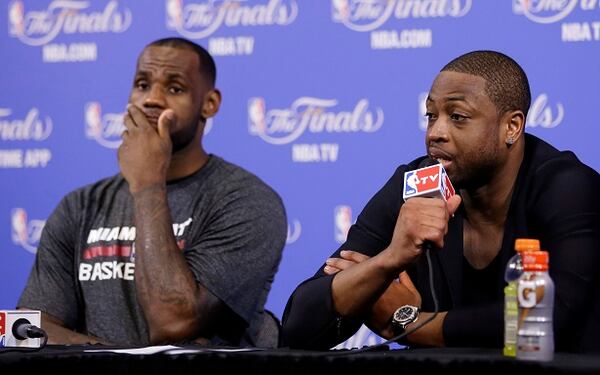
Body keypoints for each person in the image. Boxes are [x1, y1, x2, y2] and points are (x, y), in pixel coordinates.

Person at [281, 51, 600, 352]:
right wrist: (388, 261)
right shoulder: (417, 182)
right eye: (431, 116)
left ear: (511, 126)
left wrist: (408, 323)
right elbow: (299, 327)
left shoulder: (567, 186)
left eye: (458, 117)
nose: (435, 132)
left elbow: (551, 319)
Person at [18, 37, 287, 347]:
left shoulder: (247, 201)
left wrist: (148, 185)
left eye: (175, 89)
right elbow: (29, 331)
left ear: (209, 104)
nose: (152, 100)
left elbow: (173, 322)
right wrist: (116, 359)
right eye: (142, 84)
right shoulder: (79, 206)